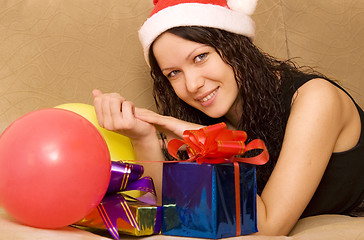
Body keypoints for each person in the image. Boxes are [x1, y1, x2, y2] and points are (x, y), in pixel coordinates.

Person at [92, 0, 364, 236]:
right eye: (173, 73)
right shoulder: (209, 116)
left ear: (236, 47)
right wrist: (145, 137)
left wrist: (208, 141)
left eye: (200, 57)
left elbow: (268, 226)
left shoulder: (315, 98)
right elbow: (167, 211)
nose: (192, 84)